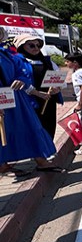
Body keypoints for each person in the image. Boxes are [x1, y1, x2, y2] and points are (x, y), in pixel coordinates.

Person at [0, 46, 60, 176]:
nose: (35, 48)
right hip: (4, 98)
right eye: (31, 45)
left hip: (16, 97)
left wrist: (21, 80)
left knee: (31, 126)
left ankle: (41, 160)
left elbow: (21, 73)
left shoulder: (9, 55)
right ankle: (3, 165)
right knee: (3, 132)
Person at [13, 34, 64, 138]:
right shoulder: (16, 62)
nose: (36, 48)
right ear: (22, 46)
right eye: (31, 45)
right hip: (28, 103)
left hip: (48, 101)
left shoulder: (48, 61)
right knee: (31, 132)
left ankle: (48, 152)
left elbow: (59, 79)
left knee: (48, 129)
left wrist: (57, 88)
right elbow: (16, 83)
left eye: (38, 45)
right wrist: (37, 93)